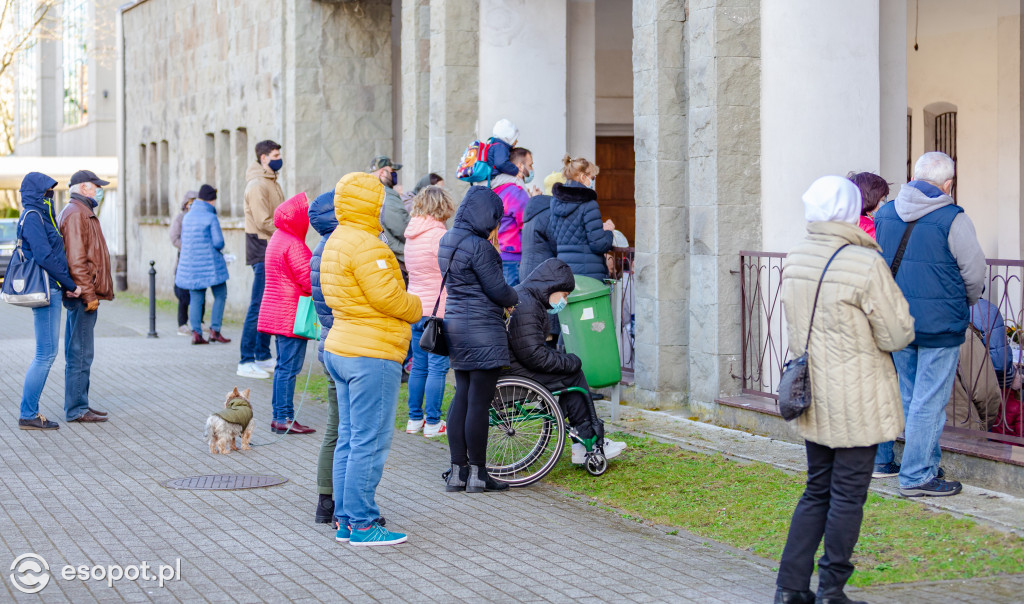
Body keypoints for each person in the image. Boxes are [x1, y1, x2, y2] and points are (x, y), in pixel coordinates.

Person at [774, 176, 915, 604]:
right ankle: (832, 589)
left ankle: (790, 588)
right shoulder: (863, 262)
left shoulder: (796, 255)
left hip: (813, 392)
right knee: (848, 495)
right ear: (851, 209)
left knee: (817, 487)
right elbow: (897, 333)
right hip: (859, 396)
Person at [872, 152, 987, 497]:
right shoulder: (953, 218)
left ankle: (923, 463)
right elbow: (974, 274)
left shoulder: (886, 213)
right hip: (939, 326)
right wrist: (965, 301)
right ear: (948, 184)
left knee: (911, 396)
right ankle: (917, 475)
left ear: (914, 177)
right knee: (929, 401)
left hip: (897, 322)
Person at [320, 171, 422, 546]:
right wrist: (416, 305)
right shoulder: (369, 246)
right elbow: (390, 299)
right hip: (371, 353)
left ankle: (345, 520)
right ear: (372, 204)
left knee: (349, 439)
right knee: (370, 442)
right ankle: (363, 524)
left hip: (341, 346)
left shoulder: (336, 240)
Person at [505, 258, 627, 462]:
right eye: (564, 295)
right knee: (573, 374)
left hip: (515, 367)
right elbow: (534, 355)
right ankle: (587, 440)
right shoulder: (528, 305)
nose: (565, 301)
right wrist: (571, 361)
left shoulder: (526, 298)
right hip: (519, 373)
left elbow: (530, 350)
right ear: (552, 286)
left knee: (569, 372)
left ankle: (583, 440)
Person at [439, 185, 519, 494]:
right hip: (483, 330)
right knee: (478, 404)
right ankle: (479, 474)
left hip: (456, 326)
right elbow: (498, 290)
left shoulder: (447, 240)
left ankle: (458, 471)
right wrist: (515, 297)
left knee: (462, 397)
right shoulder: (480, 247)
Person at [15, 173, 82, 430]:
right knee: (45, 354)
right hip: (47, 290)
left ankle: (29, 412)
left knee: (46, 353)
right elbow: (44, 256)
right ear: (36, 192)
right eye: (47, 190)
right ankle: (28, 413)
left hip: (52, 289)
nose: (50, 194)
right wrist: (70, 284)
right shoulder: (34, 216)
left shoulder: (43, 214)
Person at [59, 169, 115, 423]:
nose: (98, 190)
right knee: (80, 352)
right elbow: (77, 260)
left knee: (80, 351)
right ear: (83, 188)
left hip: (85, 294)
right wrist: (89, 294)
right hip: (83, 296)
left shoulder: (81, 211)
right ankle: (77, 409)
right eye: (96, 186)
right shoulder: (76, 214)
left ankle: (81, 404)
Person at [258, 192, 315, 435]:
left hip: (278, 311)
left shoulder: (277, 238)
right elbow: (309, 281)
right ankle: (283, 417)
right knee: (289, 369)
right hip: (291, 314)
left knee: (283, 367)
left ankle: (280, 416)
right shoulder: (295, 244)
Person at [404, 186, 456, 438]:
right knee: (437, 368)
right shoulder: (438, 235)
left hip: (415, 307)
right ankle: (433, 422)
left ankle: (414, 419)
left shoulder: (411, 233)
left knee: (418, 366)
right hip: (438, 309)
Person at [239, 139, 285, 379]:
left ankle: (262, 355)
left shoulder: (270, 181)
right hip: (262, 247)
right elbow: (263, 221)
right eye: (275, 154)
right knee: (258, 304)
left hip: (272, 247)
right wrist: (289, 231)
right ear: (264, 158)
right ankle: (246, 360)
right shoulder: (257, 184)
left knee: (268, 304)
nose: (279, 158)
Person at [175, 185, 231, 345]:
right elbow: (219, 242)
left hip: (192, 265)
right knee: (220, 294)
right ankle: (215, 330)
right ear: (211, 200)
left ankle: (196, 334)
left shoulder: (187, 216)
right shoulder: (210, 217)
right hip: (211, 265)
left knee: (196, 298)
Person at [548, 155, 615, 280]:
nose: (594, 181)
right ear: (583, 177)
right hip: (589, 273)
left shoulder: (555, 202)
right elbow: (599, 244)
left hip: (564, 271)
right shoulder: (588, 203)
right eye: (593, 177)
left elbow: (553, 238)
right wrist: (608, 232)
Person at [947, 324, 1002, 432]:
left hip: (920, 433)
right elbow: (987, 392)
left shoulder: (911, 332)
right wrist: (983, 425)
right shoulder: (963, 337)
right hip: (961, 433)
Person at [492, 147, 533, 286]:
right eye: (530, 164)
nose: (531, 169)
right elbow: (527, 223)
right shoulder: (516, 192)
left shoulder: (496, 188)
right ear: (520, 166)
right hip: (513, 256)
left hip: (496, 253)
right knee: (514, 305)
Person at [170, 190, 202, 336]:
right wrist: (187, 245)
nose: (192, 205)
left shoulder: (200, 218)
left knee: (199, 291)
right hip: (184, 258)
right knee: (183, 294)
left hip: (198, 259)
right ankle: (182, 324)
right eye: (190, 203)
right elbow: (174, 237)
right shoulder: (180, 218)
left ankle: (199, 321)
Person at [371, 156, 410, 273]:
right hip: (393, 258)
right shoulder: (386, 194)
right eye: (392, 172)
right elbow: (402, 227)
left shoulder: (366, 191)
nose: (394, 176)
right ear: (383, 172)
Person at [970, 299, 1017, 388]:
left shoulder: (940, 308)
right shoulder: (986, 310)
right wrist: (1014, 374)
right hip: (979, 386)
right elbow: (1001, 364)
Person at [847, 172, 889, 240]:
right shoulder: (873, 229)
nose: (885, 205)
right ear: (870, 200)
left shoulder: (844, 224)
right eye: (882, 200)